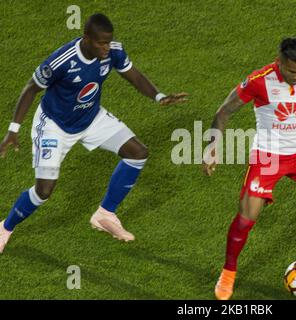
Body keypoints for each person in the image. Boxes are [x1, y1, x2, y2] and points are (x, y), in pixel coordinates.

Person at [0, 13, 188, 252]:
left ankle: (104, 214)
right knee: (44, 190)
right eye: (101, 43)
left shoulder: (113, 52)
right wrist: (13, 130)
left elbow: (133, 76)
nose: (106, 48)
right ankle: (5, 227)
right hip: (54, 125)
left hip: (91, 118)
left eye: (109, 42)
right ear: (86, 38)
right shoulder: (62, 61)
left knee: (137, 153)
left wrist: (159, 96)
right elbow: (30, 89)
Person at [203, 38, 296, 300]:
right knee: (247, 217)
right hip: (268, 157)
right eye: (291, 71)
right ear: (279, 60)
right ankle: (228, 273)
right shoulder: (259, 80)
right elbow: (225, 111)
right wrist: (212, 146)